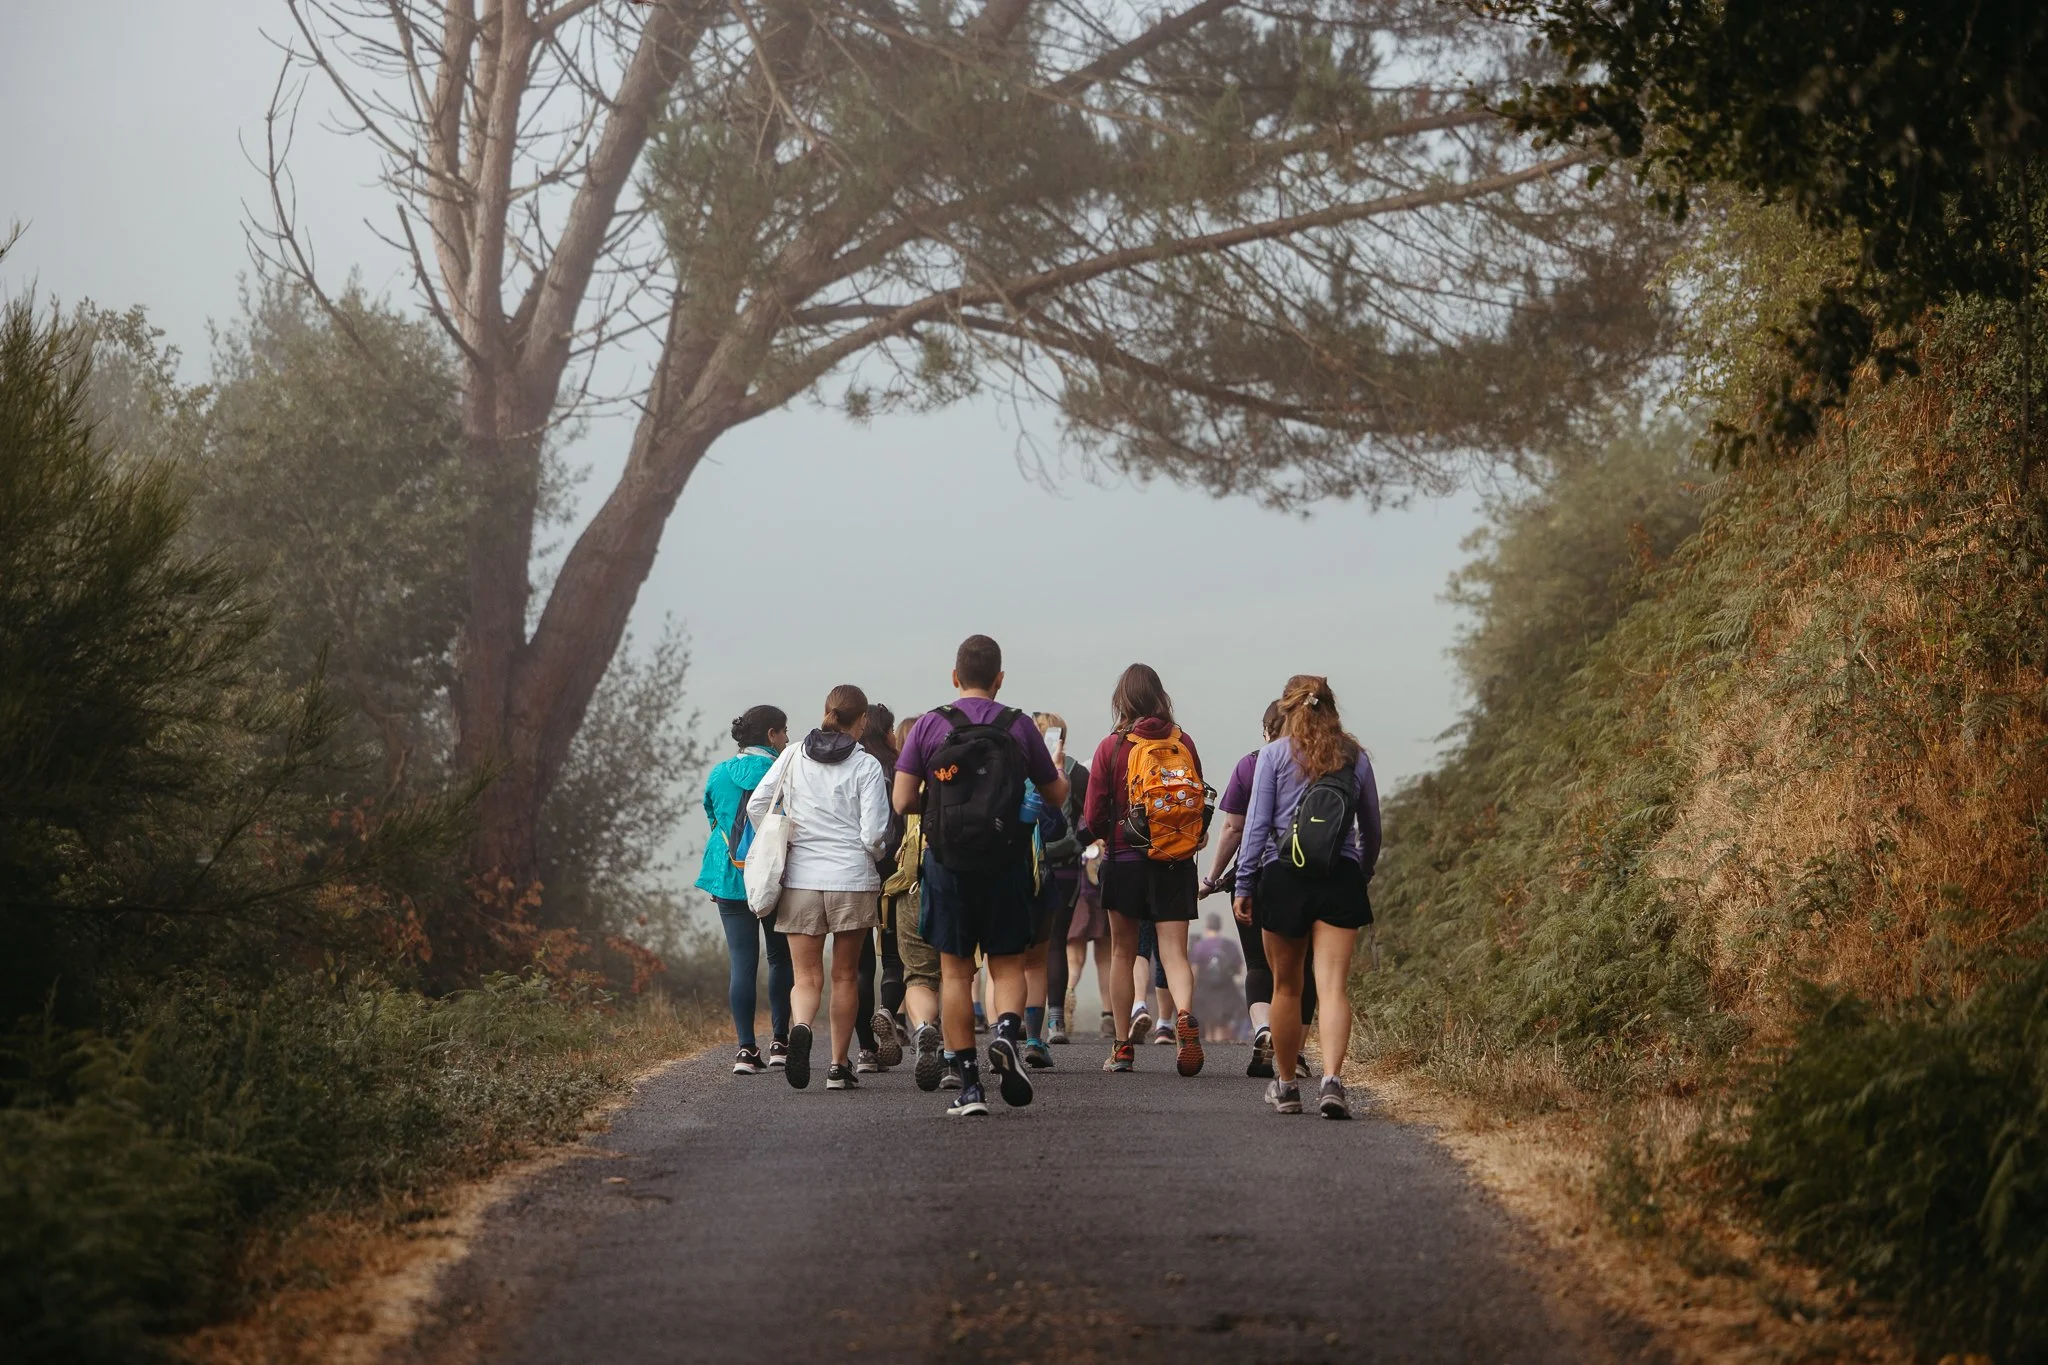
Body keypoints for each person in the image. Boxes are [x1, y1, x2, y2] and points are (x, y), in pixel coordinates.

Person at [893, 635, 1068, 1118]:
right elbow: (1054, 795)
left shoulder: (930, 724)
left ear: (954, 676)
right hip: (1006, 860)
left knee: (955, 973)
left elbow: (903, 801)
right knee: (1007, 964)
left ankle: (969, 1088)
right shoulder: (1018, 727)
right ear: (999, 679)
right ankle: (1008, 1035)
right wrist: (1056, 773)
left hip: (947, 864)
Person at [1234, 675, 1382, 1119]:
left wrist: (1245, 884)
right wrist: (1361, 870)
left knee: (1286, 987)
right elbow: (1371, 830)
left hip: (1283, 876)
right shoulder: (1355, 758)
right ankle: (1332, 1080)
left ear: (1288, 710)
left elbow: (1257, 827)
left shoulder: (1274, 755)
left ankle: (1285, 1086)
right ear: (1332, 710)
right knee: (1333, 986)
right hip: (1340, 876)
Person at [747, 685, 892, 1092]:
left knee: (805, 977)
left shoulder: (792, 754)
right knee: (845, 976)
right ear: (861, 721)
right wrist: (874, 852)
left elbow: (758, 805)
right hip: (851, 880)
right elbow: (874, 833)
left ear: (826, 712)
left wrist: (785, 840)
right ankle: (838, 1066)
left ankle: (803, 1027)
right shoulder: (866, 765)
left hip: (801, 881)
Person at [1080, 663, 1207, 1078]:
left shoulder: (1111, 748)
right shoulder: (1181, 740)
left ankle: (1121, 1049)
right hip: (1174, 860)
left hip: (1125, 861)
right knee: (1173, 952)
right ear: (1160, 697)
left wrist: (1109, 835)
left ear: (1123, 701)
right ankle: (1184, 1016)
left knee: (1122, 951)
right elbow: (1198, 800)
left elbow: (1094, 814)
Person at [1202, 700, 1318, 1079]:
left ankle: (1265, 1029)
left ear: (1267, 730)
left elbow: (1235, 828)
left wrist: (1214, 877)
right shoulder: (1324, 760)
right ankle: (1296, 1054)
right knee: (1305, 967)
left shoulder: (1252, 764)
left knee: (1258, 964)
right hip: (1315, 874)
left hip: (1262, 874)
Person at [697, 704, 793, 1075]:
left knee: (742, 962)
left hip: (729, 876)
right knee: (780, 959)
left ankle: (745, 1051)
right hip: (773, 876)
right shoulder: (783, 770)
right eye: (783, 732)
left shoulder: (720, 773)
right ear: (771, 735)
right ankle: (781, 1043)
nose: (786, 739)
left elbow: (712, 817)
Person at [853, 702, 907, 1074]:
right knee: (893, 954)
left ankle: (867, 1050)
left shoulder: (850, 763)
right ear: (886, 732)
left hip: (854, 870)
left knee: (856, 963)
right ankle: (888, 1009)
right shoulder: (898, 767)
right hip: (895, 872)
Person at [1031, 713, 1090, 1046]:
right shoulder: (1077, 772)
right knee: (1057, 941)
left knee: (1026, 946)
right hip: (1066, 864)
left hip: (1027, 863)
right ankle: (1056, 1020)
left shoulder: (1021, 768)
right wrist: (1081, 845)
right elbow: (1089, 816)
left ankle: (1025, 1024)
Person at [1189, 914, 1245, 1043]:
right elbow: (1238, 970)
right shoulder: (1230, 945)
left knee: (1209, 1028)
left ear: (1206, 926)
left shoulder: (1199, 946)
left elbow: (1195, 971)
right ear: (1220, 926)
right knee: (1222, 1026)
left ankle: (1211, 1058)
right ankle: (1221, 1057)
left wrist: (1194, 991)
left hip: (1205, 992)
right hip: (1225, 992)